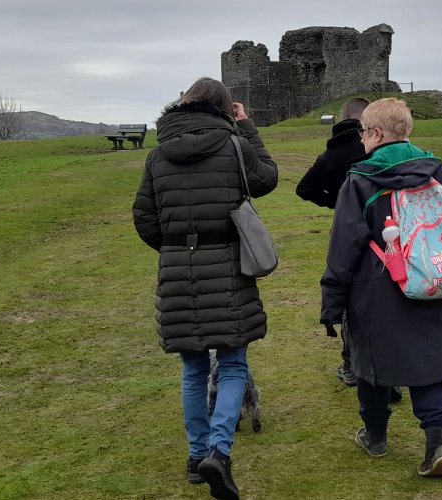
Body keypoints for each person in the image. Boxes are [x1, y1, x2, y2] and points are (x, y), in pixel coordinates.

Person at [133, 77, 278, 500]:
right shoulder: (234, 146)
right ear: (226, 108)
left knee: (193, 369)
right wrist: (246, 127)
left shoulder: (158, 154)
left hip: (178, 268)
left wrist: (177, 247)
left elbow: (144, 218)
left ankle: (197, 458)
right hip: (229, 267)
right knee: (232, 364)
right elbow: (267, 178)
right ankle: (219, 452)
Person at [319, 98, 442, 478]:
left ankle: (375, 436)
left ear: (374, 133)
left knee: (371, 364)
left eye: (362, 133)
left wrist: (332, 303)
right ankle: (437, 439)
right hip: (434, 280)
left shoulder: (359, 179)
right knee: (429, 362)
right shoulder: (436, 169)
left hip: (377, 290)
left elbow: (344, 247)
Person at [296, 97, 373, 387]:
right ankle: (387, 366)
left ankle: (351, 364)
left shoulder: (332, 155)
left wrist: (337, 204)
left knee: (349, 296)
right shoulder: (380, 148)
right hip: (389, 232)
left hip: (346, 234)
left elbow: (304, 188)